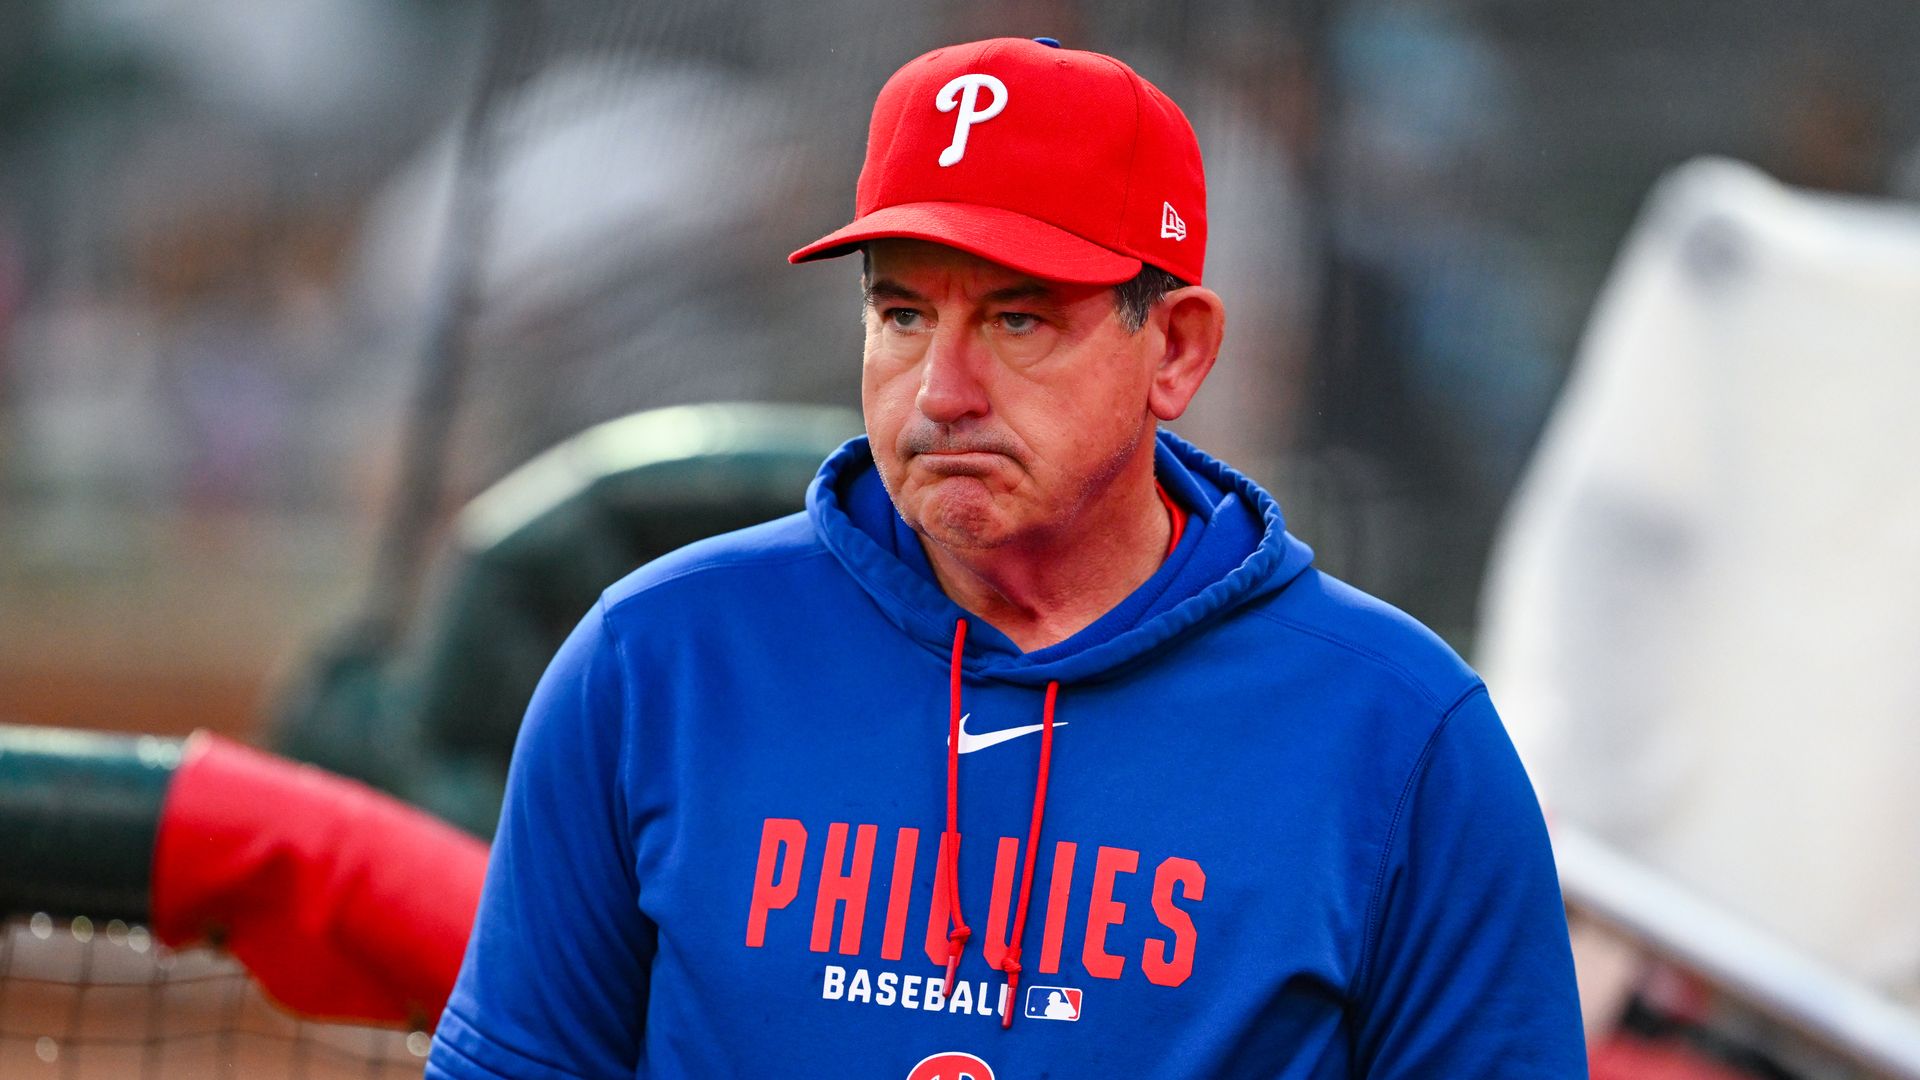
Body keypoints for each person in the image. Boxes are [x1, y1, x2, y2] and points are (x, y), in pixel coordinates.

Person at [427, 37, 1583, 1079]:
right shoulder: (656, 660)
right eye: (903, 315)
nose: (943, 391)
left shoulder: (1399, 732)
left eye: (1018, 319)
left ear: (1175, 350)